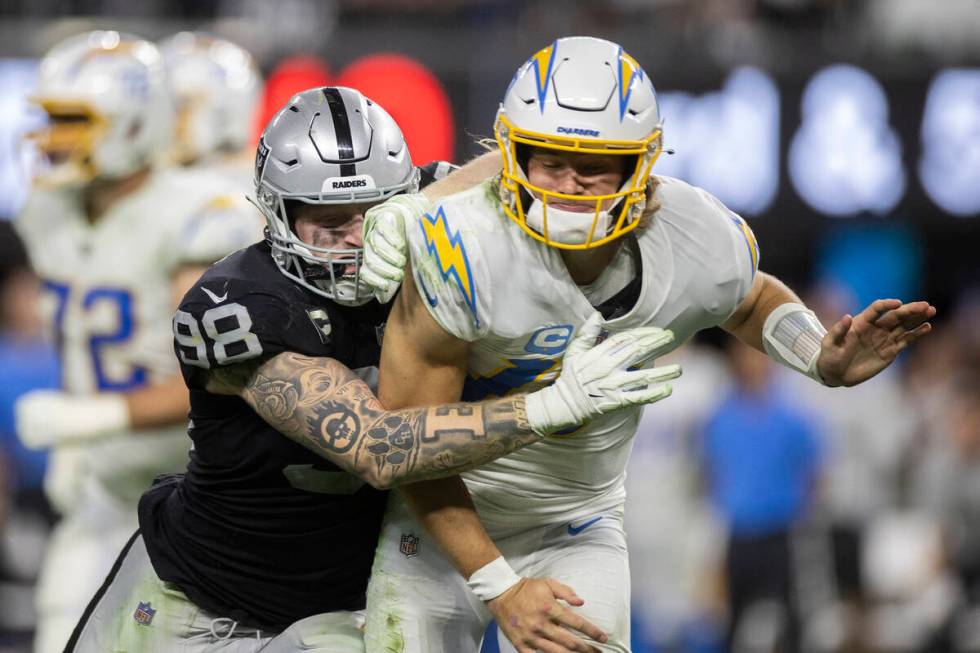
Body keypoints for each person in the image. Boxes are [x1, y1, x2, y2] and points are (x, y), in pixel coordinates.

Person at [358, 36, 936, 653]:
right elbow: (410, 445)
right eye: (549, 160)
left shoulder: (693, 235)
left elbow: (747, 298)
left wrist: (818, 355)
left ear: (642, 165)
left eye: (595, 164)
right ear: (511, 155)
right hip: (444, 524)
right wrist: (501, 587)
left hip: (576, 524)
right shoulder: (461, 246)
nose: (571, 184)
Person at [65, 86, 682, 653]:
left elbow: (523, 157)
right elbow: (376, 449)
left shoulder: (425, 220)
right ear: (278, 215)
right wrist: (550, 407)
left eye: (374, 214)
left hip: (336, 613)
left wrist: (420, 209)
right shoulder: (237, 305)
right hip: (189, 595)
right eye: (329, 224)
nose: (356, 241)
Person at [13, 30, 262, 653]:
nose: (52, 137)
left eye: (72, 120)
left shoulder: (202, 212)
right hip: (102, 495)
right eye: (50, 119)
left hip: (197, 491)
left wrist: (95, 414)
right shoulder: (48, 211)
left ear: (130, 123)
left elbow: (223, 375)